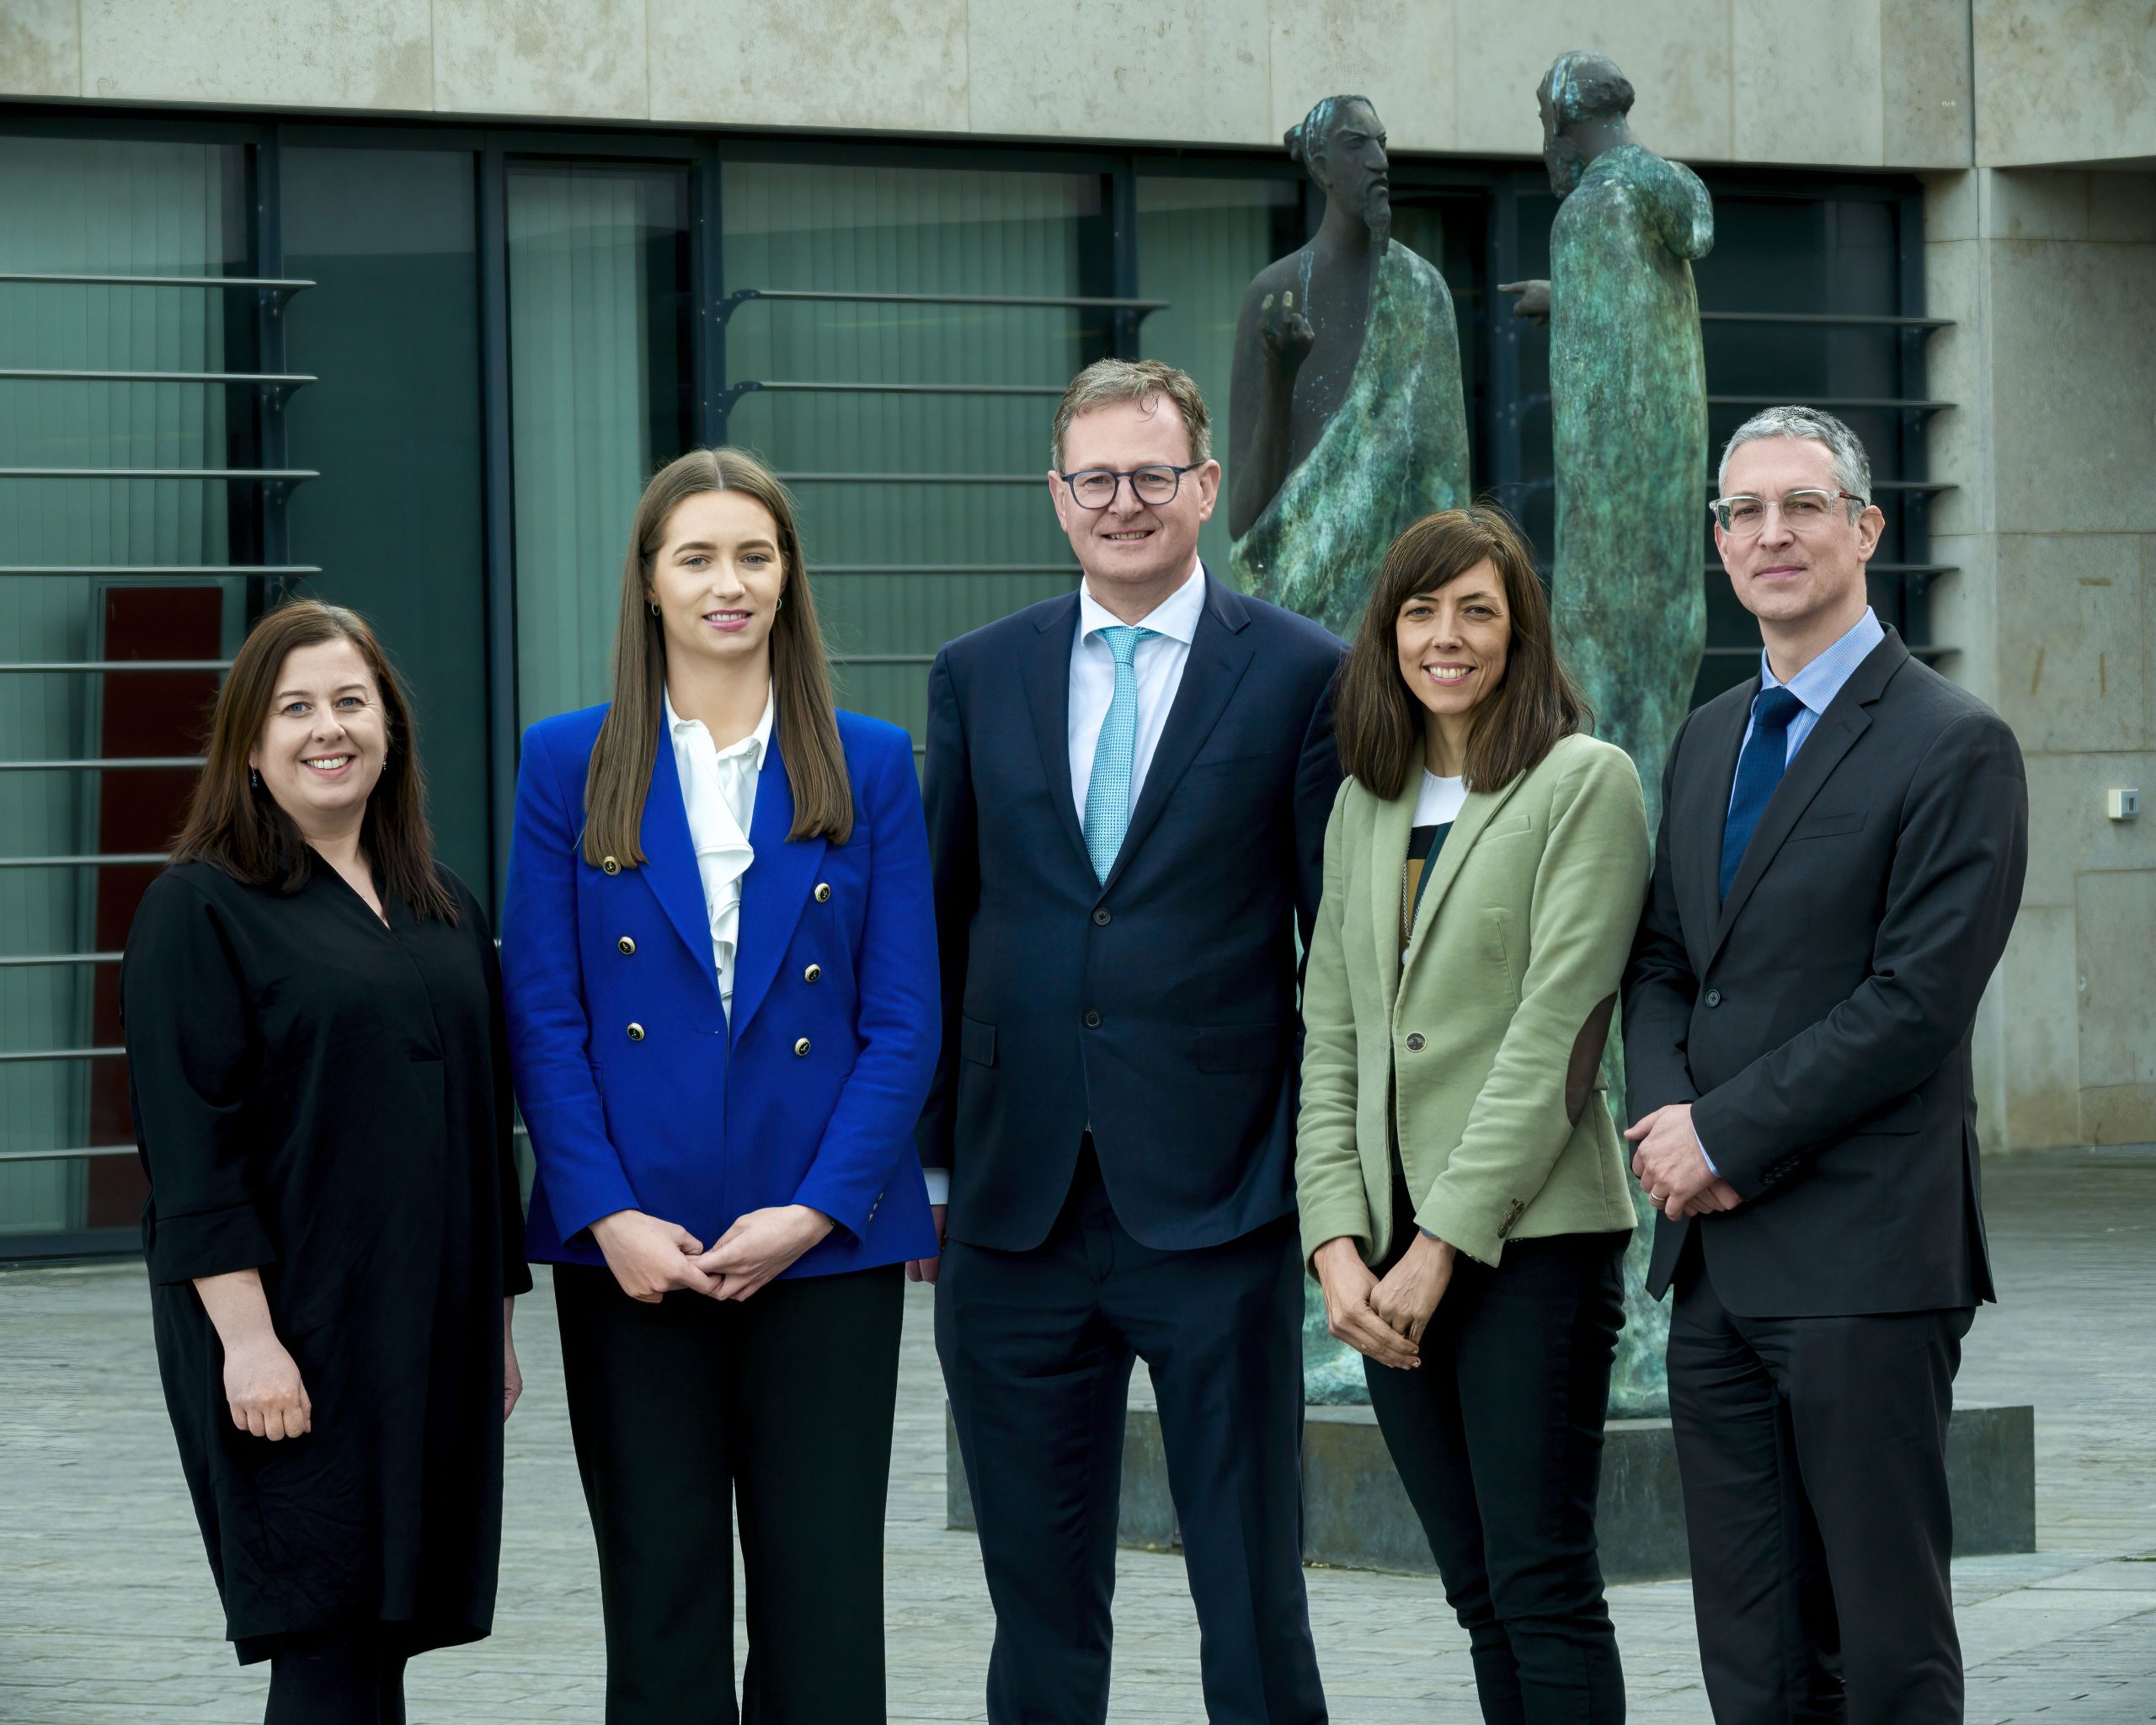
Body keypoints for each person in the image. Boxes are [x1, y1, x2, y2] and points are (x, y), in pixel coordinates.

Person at [916, 357, 1341, 1725]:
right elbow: (937, 922)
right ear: (1056, 496)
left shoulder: (1298, 674)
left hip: (1217, 1205)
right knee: (1037, 1604)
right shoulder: (978, 675)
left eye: (1153, 475)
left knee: (1251, 1593)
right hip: (1014, 1210)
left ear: (1204, 487)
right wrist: (928, 1174)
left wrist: (1322, 1182)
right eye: (1095, 477)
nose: (1124, 502)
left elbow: (1334, 949)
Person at [500, 446, 939, 1724]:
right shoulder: (565, 763)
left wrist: (817, 1210)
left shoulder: (872, 760)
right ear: (648, 584)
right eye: (696, 557)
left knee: (822, 1618)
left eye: (754, 554)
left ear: (790, 578)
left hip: (825, 1252)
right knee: (661, 1605)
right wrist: (607, 1215)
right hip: (638, 1254)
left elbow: (903, 1017)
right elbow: (545, 1010)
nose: (728, 582)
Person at [1623, 405, 2028, 1724]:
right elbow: (1664, 965)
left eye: (1803, 505)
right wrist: (1667, 1122)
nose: (1771, 533)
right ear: (1721, 544)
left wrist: (1724, 1138)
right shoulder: (1705, 737)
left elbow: (1914, 1005)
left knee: (1884, 1638)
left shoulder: (1952, 743)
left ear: (1867, 528)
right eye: (1744, 512)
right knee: (1753, 1645)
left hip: (1864, 1263)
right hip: (1714, 1277)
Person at [120, 599, 528, 1725]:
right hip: (288, 1335)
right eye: (294, 708)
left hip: (427, 1327)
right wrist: (248, 1346)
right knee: (323, 1634)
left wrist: (494, 1325)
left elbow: (480, 1129)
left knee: (386, 1634)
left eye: (350, 701)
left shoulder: (445, 909)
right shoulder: (197, 910)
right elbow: (192, 1151)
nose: (326, 728)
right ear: (248, 745)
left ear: (389, 726)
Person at [1297, 505, 1647, 1722]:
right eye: (1421, 609)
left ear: (1520, 627)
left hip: (1530, 1246)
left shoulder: (1582, 784)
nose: (1447, 637)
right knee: (1476, 1593)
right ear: (1387, 631)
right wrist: (1336, 1243)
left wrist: (1442, 1243)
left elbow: (1560, 1034)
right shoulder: (1365, 803)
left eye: (1478, 611)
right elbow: (1332, 1035)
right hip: (1387, 1263)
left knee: (1542, 1584)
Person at [1229, 92, 1470, 635]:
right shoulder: (1275, 293)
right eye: (1356, 145)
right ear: (1320, 167)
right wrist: (1278, 376)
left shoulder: (1422, 291)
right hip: (1296, 612)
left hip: (1402, 617)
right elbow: (1243, 519)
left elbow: (1447, 486)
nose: (1379, 161)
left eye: (1382, 144)